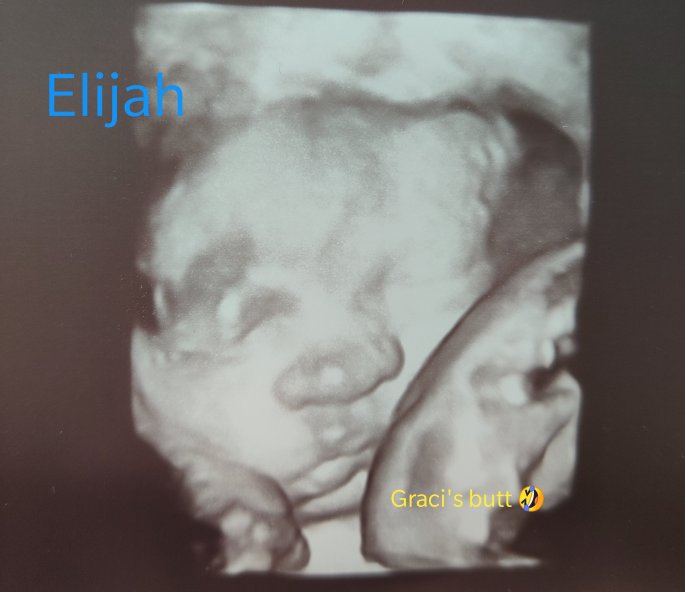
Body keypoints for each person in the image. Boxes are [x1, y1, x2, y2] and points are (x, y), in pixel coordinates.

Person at [130, 4, 590, 574]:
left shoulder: (545, 473)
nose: (351, 371)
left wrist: (452, 513)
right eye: (252, 313)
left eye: (407, 287)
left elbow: (539, 502)